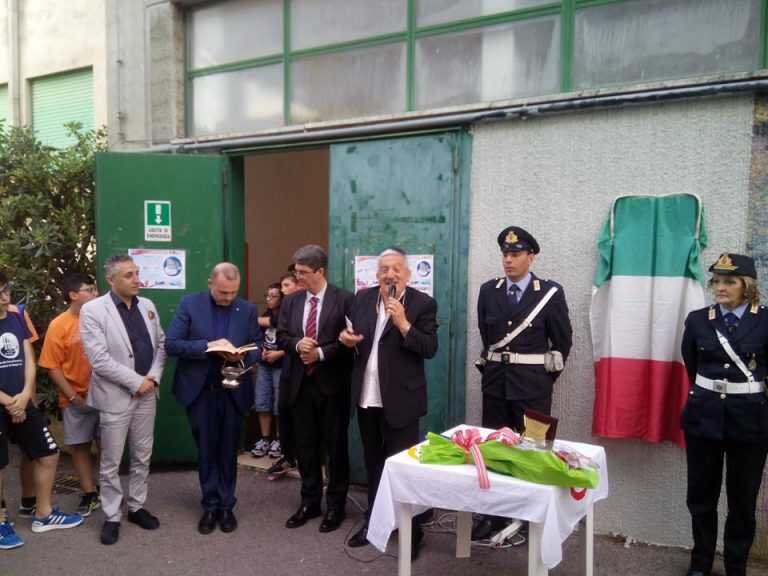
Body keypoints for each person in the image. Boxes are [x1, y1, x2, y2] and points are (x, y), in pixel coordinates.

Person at [473, 226, 573, 541]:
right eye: (505, 253)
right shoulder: (489, 291)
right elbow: (487, 338)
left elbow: (562, 343)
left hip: (533, 388)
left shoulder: (550, 293)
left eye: (515, 254)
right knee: (494, 452)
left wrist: (543, 380)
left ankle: (531, 519)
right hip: (496, 386)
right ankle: (492, 515)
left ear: (531, 256)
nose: (508, 260)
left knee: (533, 453)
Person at [339, 248, 438, 557]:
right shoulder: (363, 299)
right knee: (374, 462)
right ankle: (374, 521)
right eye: (383, 269)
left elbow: (429, 348)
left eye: (396, 269)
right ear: (376, 274)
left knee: (404, 469)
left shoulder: (423, 304)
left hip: (402, 401)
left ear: (407, 274)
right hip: (367, 397)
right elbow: (353, 334)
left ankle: (412, 531)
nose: (389, 275)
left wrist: (404, 323)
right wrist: (346, 338)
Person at [681, 253, 768, 576]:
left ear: (747, 286)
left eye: (729, 281)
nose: (720, 287)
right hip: (703, 418)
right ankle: (701, 562)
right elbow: (692, 364)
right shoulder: (698, 319)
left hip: (750, 422)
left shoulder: (765, 320)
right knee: (701, 497)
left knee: (742, 502)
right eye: (716, 281)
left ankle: (736, 566)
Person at [166, 263, 262, 535]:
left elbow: (257, 345)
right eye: (222, 292)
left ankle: (227, 506)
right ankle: (210, 505)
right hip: (201, 392)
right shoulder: (189, 304)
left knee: (228, 451)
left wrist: (242, 355)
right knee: (207, 451)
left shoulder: (248, 309)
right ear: (210, 282)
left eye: (232, 293)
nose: (228, 298)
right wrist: (207, 347)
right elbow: (172, 343)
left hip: (234, 391)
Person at [80, 254, 166, 545]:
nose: (136, 279)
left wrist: (152, 378)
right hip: (116, 396)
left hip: (147, 394)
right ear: (111, 280)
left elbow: (161, 345)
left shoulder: (149, 306)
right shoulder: (93, 310)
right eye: (129, 275)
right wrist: (135, 382)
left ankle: (137, 507)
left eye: (137, 272)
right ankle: (112, 515)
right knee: (111, 461)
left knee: (142, 455)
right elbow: (99, 360)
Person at [0, 271, 83, 550]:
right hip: (5, 403)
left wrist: (25, 396)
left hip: (23, 400)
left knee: (47, 452)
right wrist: (9, 402)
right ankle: (0, 523)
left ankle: (43, 514)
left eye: (5, 289)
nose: (4, 296)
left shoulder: (16, 316)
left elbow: (29, 359)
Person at [277, 245, 353, 533]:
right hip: (300, 385)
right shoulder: (292, 302)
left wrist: (320, 353)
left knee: (335, 448)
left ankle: (336, 506)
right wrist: (298, 344)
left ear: (320, 271)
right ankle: (309, 502)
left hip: (332, 387)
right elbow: (282, 336)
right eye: (296, 273)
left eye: (303, 273)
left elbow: (351, 342)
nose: (298, 279)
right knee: (305, 447)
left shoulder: (344, 299)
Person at [39, 273, 100, 517]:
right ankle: (89, 493)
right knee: (80, 447)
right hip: (76, 397)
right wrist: (73, 397)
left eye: (95, 290)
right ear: (73, 295)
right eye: (89, 290)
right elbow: (51, 366)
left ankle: (109, 490)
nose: (95, 294)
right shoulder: (59, 325)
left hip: (107, 394)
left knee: (109, 444)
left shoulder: (103, 318)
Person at [266, 271, 300, 480]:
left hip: (305, 371)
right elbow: (280, 333)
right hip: (288, 370)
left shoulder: (306, 306)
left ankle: (305, 461)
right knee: (284, 410)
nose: (283, 289)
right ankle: (288, 457)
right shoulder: (286, 308)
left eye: (287, 285)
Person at [251, 283, 285, 459]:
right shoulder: (266, 314)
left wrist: (278, 354)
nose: (268, 299)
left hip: (280, 366)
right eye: (267, 295)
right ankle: (265, 438)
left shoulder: (286, 315)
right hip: (265, 365)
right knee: (262, 402)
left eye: (273, 296)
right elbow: (259, 336)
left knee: (279, 404)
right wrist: (261, 351)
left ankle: (279, 440)